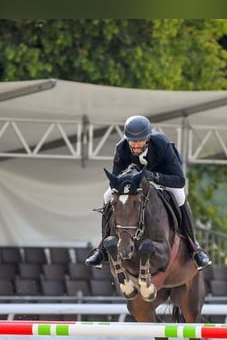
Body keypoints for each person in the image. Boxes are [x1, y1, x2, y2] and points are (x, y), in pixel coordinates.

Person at [85, 115, 211, 270]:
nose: (136, 145)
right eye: (132, 141)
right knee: (107, 196)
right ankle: (102, 248)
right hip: (134, 184)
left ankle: (194, 248)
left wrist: (154, 177)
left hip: (163, 178)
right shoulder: (121, 148)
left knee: (180, 196)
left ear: (148, 138)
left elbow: (179, 180)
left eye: (140, 141)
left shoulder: (162, 146)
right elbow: (116, 180)